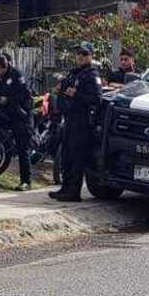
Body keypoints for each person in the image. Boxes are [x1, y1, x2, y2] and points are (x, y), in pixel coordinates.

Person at [49, 42, 102, 202]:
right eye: (79, 53)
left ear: (91, 56)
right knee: (66, 156)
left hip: (82, 122)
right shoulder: (75, 73)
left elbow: (96, 100)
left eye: (84, 54)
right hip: (69, 119)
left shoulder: (92, 75)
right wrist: (60, 88)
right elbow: (64, 89)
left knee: (77, 158)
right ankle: (65, 189)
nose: (80, 56)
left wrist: (77, 94)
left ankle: (73, 192)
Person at [0, 53, 34, 190]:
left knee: (22, 147)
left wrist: (7, 99)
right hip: (6, 113)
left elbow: (23, 95)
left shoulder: (16, 75)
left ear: (5, 66)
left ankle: (26, 181)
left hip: (21, 114)